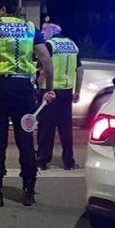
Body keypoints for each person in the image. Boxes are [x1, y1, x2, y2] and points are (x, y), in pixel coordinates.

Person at [0, 0, 55, 207]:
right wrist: (49, 87)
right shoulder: (30, 27)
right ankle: (29, 189)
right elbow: (46, 59)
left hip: (0, 89)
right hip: (24, 90)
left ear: (2, 10)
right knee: (25, 141)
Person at [35, 20, 83, 170]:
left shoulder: (49, 45)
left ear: (52, 31)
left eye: (44, 29)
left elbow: (42, 70)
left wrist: (37, 84)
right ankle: (68, 161)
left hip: (49, 92)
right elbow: (80, 70)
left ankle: (43, 160)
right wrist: (77, 91)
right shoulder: (72, 45)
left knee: (46, 128)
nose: (42, 33)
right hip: (66, 92)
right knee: (65, 129)